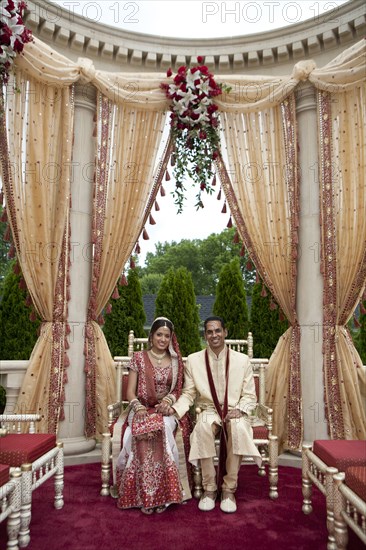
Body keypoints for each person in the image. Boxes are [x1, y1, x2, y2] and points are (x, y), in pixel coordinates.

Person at [167, 316, 261, 514]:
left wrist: (241, 410)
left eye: (218, 330)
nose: (214, 335)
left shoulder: (242, 361)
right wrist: (175, 409)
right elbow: (189, 393)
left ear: (225, 332)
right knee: (201, 428)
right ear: (205, 335)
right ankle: (209, 489)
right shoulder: (194, 360)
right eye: (209, 332)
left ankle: (228, 489)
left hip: (235, 409)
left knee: (237, 428)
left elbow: (250, 395)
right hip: (209, 410)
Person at [113, 317, 192, 514]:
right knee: (138, 432)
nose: (163, 339)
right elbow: (129, 391)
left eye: (167, 336)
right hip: (140, 408)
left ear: (171, 338)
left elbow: (178, 390)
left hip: (164, 410)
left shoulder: (176, 361)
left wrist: (168, 402)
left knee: (163, 428)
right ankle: (141, 494)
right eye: (159, 334)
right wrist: (138, 407)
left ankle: (164, 493)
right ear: (152, 336)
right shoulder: (138, 358)